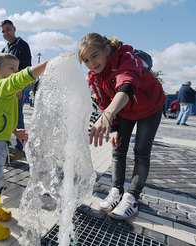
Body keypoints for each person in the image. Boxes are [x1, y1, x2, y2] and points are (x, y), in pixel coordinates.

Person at [77, 33, 166, 220]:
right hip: (125, 110)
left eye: (94, 56)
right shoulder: (95, 76)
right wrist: (115, 127)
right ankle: (116, 191)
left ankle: (132, 197)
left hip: (150, 106)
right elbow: (104, 101)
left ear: (107, 50)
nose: (91, 63)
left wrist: (107, 115)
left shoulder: (126, 58)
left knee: (141, 151)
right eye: (85, 60)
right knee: (118, 149)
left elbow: (127, 84)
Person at [0, 53, 49, 241]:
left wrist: (15, 131)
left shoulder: (3, 91)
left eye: (16, 69)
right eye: (12, 69)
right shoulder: (0, 85)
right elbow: (21, 79)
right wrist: (47, 64)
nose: (15, 73)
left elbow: (1, 116)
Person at [0, 19, 32, 160]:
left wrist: (20, 86)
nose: (6, 33)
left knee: (18, 117)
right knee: (6, 116)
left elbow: (26, 68)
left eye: (8, 29)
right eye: (3, 31)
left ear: (14, 28)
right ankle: (7, 144)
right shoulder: (4, 49)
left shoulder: (22, 45)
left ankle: (19, 149)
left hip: (17, 88)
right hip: (6, 89)